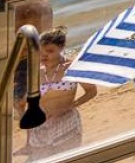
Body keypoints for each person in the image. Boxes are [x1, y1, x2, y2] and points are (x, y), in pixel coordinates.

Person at [25, 28, 96, 159]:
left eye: (50, 51)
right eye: (40, 52)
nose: (44, 56)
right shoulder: (36, 71)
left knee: (68, 159)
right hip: (41, 126)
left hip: (66, 123)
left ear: (61, 47)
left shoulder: (72, 67)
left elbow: (91, 91)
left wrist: (70, 106)